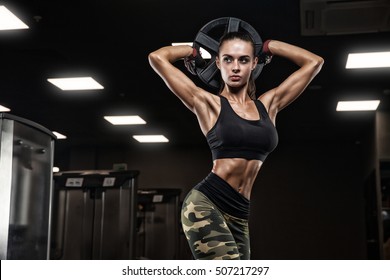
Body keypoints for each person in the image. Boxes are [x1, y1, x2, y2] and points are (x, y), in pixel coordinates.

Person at [148, 29, 324, 260]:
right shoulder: (207, 103)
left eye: (243, 60)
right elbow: (157, 57)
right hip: (206, 204)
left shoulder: (268, 106)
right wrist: (192, 50)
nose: (235, 67)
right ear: (218, 63)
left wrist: (269, 46)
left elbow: (314, 62)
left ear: (254, 64)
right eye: (228, 59)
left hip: (240, 213)